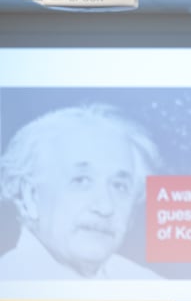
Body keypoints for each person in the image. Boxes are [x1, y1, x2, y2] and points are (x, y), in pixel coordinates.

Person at [0, 104, 162, 279]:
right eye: (81, 181)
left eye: (119, 186)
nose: (105, 207)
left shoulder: (150, 284)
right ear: (30, 196)